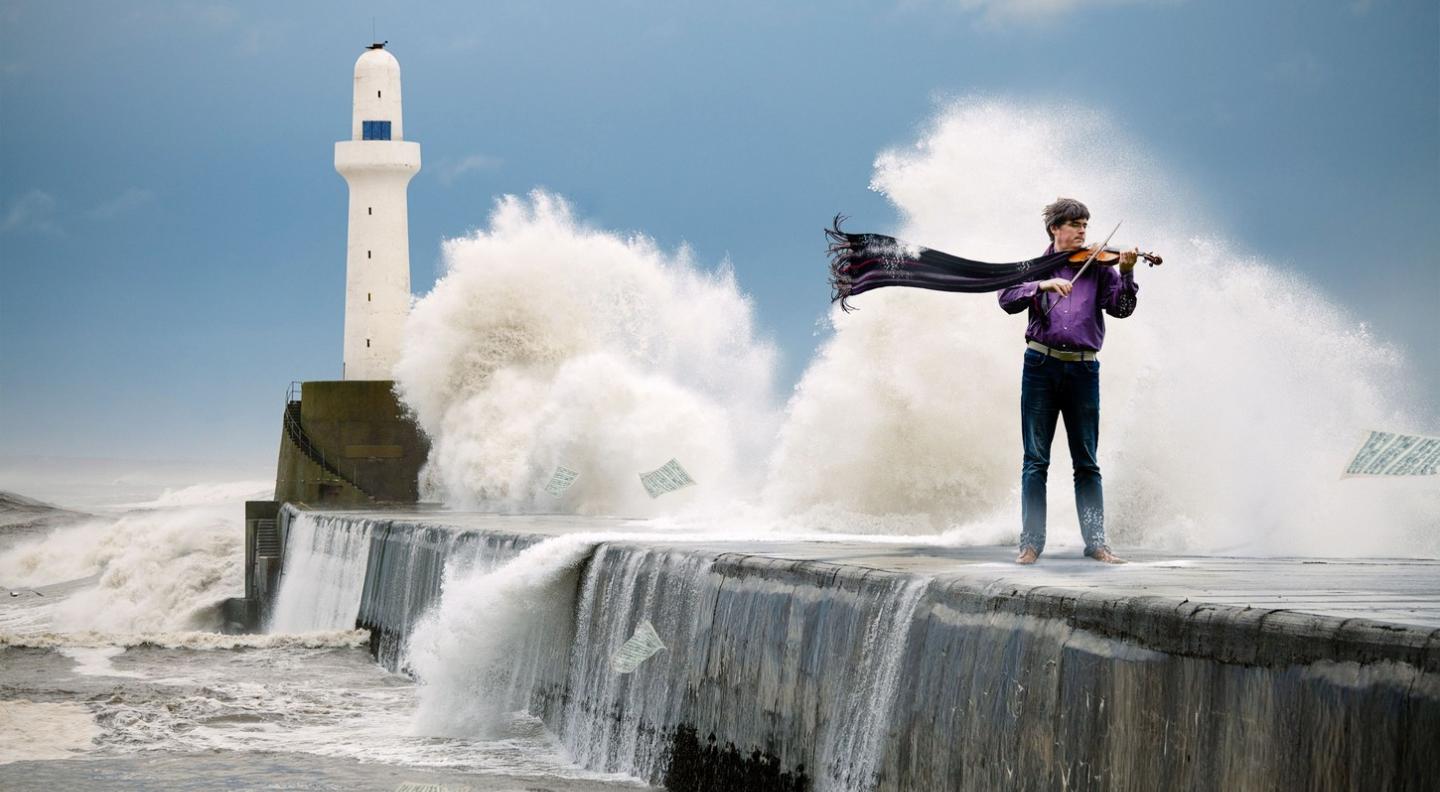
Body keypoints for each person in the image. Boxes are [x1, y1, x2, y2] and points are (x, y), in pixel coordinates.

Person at [998, 198, 1143, 565]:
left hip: (1083, 369)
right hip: (1040, 366)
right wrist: (1042, 285)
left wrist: (1126, 273)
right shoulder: (1035, 267)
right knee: (1035, 460)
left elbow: (1122, 309)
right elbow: (1006, 298)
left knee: (1087, 462)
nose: (1082, 232)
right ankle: (1030, 545)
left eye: (1085, 225)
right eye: (1075, 224)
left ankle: (1097, 544)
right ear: (1055, 229)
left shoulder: (1098, 267)